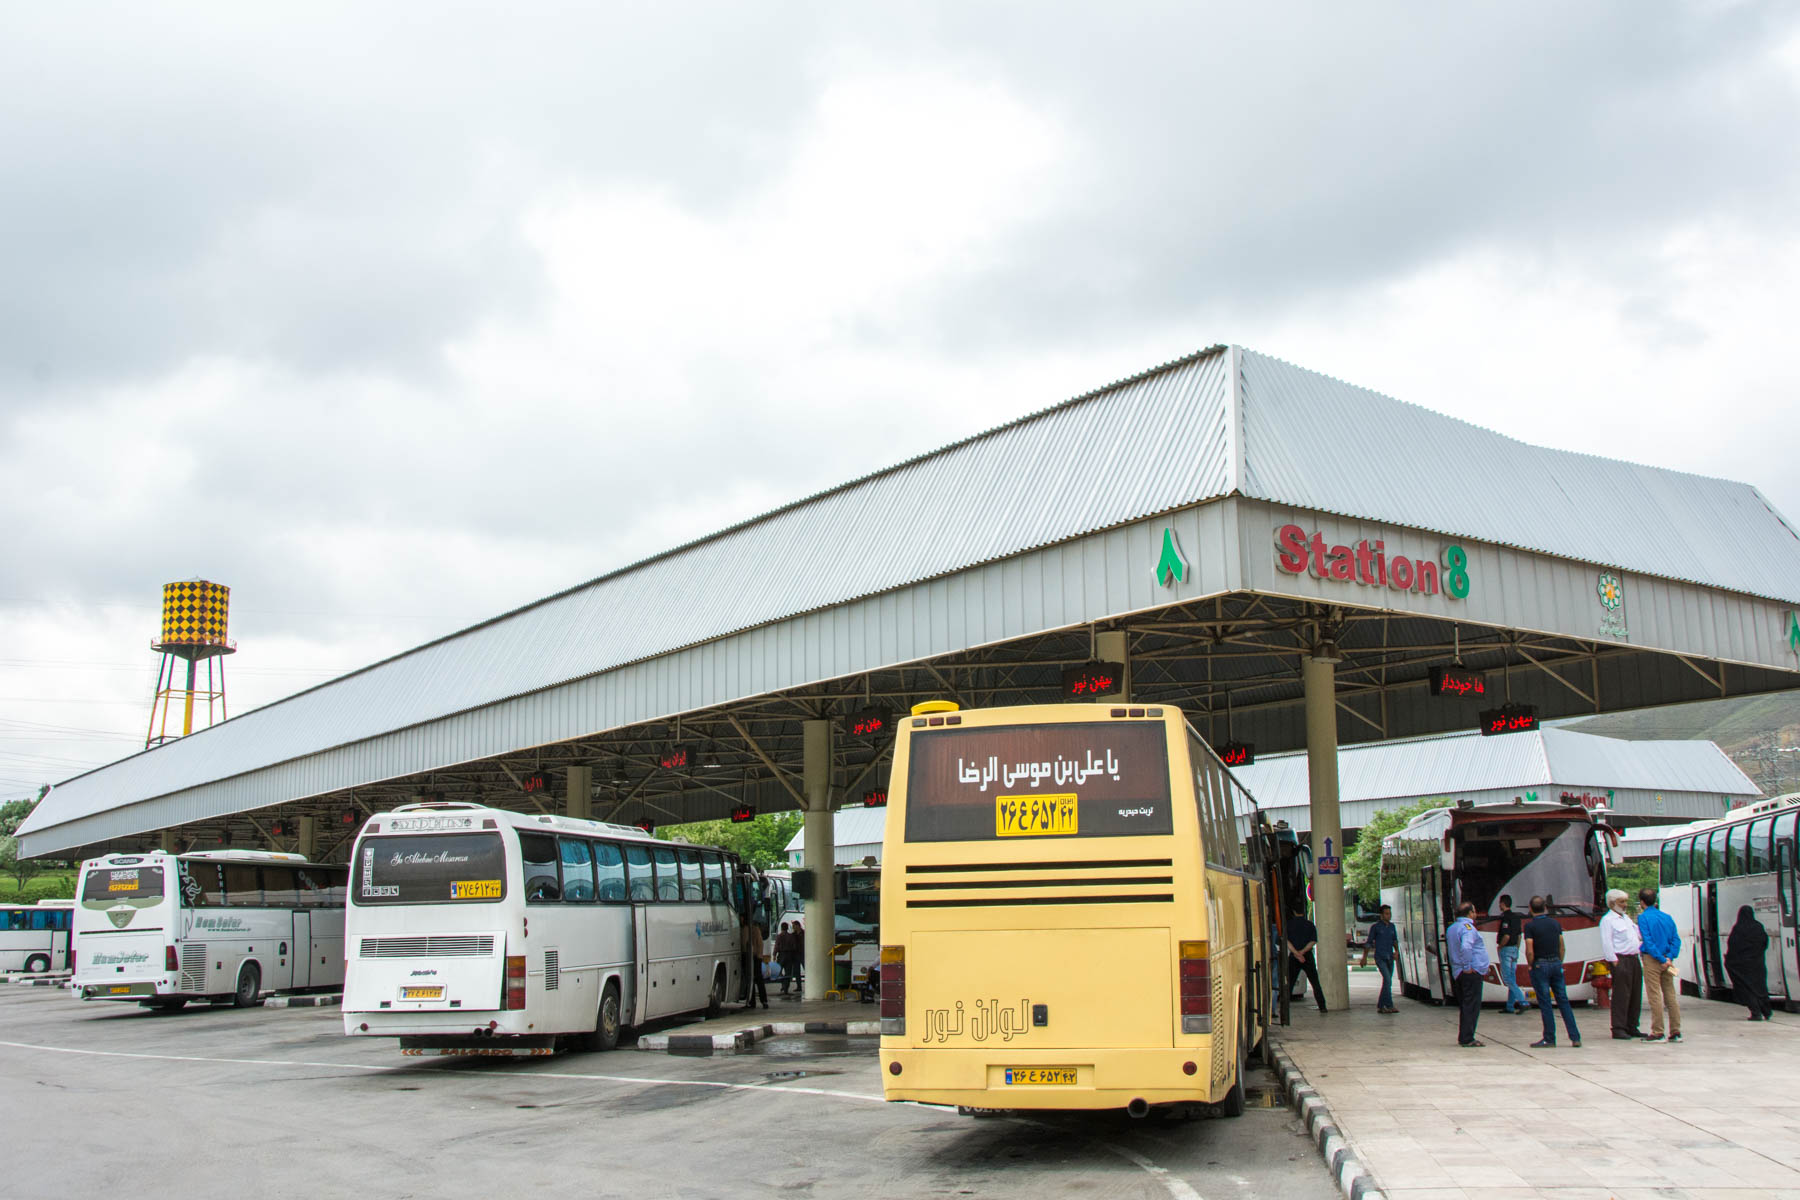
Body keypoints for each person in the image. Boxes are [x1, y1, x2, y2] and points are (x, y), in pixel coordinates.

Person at [1523, 894, 1580, 1048]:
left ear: (1530, 909)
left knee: (1545, 1002)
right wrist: (1559, 961)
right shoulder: (1555, 924)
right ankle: (1575, 1037)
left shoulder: (1530, 926)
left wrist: (1530, 964)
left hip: (1540, 965)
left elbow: (1529, 949)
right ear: (1545, 908)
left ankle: (1549, 1038)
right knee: (1563, 1000)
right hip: (1555, 963)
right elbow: (1562, 946)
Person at [1636, 888, 1683, 1043]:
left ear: (1642, 902)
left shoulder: (1643, 918)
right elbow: (1676, 940)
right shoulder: (1667, 917)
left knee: (1655, 995)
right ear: (1655, 901)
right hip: (1667, 960)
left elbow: (1648, 942)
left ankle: (1658, 1032)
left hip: (1652, 959)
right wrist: (1669, 958)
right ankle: (1675, 1031)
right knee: (1670, 995)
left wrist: (1660, 959)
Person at [1598, 888, 1644, 1039]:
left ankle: (1632, 1025)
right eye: (1621, 902)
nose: (1625, 904)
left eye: (1625, 901)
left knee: (1635, 994)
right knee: (1621, 995)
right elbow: (1607, 942)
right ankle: (1618, 1027)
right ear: (1612, 903)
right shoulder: (1608, 920)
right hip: (1621, 959)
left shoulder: (1626, 918)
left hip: (1634, 958)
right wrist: (1614, 961)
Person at [1445, 901, 1489, 1047]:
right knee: (1472, 1005)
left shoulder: (1452, 928)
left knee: (1465, 1005)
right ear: (1470, 913)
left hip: (1458, 972)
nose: (1476, 914)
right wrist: (1467, 966)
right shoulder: (1468, 928)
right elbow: (1466, 947)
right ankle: (1467, 1037)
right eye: (1474, 911)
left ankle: (1465, 1035)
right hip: (1470, 973)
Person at [1724, 905, 1774, 1021]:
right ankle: (1767, 1011)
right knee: (1760, 987)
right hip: (1757, 964)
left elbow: (1732, 945)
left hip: (1741, 966)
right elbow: (1764, 943)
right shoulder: (1758, 927)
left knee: (1747, 989)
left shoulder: (1738, 929)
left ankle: (1756, 1013)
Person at [1285, 906, 1328, 1013]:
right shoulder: (1310, 925)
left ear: (1294, 912)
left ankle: (1285, 1008)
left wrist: (1296, 953)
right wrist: (1303, 952)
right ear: (1303, 913)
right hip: (1307, 957)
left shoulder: (1288, 925)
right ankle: (1322, 1006)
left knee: (1289, 983)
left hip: (1294, 957)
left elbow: (1285, 941)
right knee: (1315, 982)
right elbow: (1313, 941)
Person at [1360, 904, 1400, 1013]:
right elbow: (1368, 943)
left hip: (1390, 957)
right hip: (1380, 957)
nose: (1389, 916)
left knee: (1388, 982)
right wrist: (1364, 958)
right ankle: (1387, 1004)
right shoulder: (1376, 927)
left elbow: (1395, 941)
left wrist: (1396, 951)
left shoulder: (1392, 927)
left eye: (1390, 913)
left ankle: (1383, 1005)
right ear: (1381, 915)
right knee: (1387, 979)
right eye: (1386, 914)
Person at [1496, 894, 1527, 1014]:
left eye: (1500, 903)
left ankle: (1523, 1002)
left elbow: (1506, 935)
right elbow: (1519, 935)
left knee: (1507, 979)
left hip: (1507, 949)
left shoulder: (1505, 918)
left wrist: (1500, 946)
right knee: (1512, 978)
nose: (1499, 905)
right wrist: (1517, 948)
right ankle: (1510, 1006)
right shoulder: (1516, 917)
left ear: (1503, 904)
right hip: (1514, 949)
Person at [747, 920, 769, 1009]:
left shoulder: (753, 930)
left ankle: (755, 1002)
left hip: (754, 958)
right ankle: (762, 1001)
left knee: (753, 979)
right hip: (757, 958)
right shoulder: (756, 931)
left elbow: (756, 946)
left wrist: (755, 955)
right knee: (758, 980)